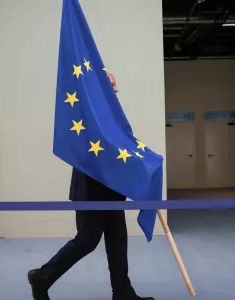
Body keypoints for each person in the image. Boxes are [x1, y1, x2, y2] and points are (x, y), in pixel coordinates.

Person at [28, 73, 155, 300]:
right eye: (112, 85)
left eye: (116, 85)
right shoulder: (87, 115)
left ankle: (123, 291)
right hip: (90, 189)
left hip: (111, 188)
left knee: (117, 238)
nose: (116, 90)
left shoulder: (110, 116)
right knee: (86, 241)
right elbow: (91, 151)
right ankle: (42, 277)